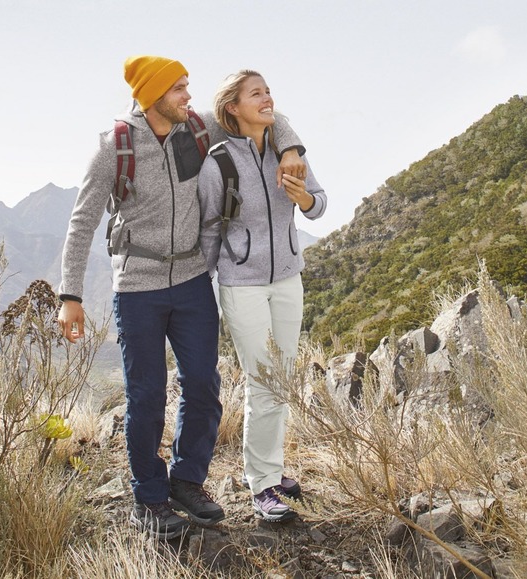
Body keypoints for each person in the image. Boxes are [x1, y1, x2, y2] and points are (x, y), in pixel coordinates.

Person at [57, 56, 308, 540]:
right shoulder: (115, 147)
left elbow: (261, 116)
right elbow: (82, 219)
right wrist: (70, 294)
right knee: (147, 395)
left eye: (188, 87)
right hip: (137, 287)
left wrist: (292, 144)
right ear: (153, 94)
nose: (188, 96)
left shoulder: (196, 126)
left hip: (193, 279)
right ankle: (149, 498)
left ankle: (187, 482)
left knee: (203, 386)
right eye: (178, 88)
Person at [197, 70, 327, 523]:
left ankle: (274, 469)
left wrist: (304, 200)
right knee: (264, 382)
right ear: (233, 107)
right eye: (257, 93)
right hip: (242, 284)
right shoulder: (219, 164)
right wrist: (206, 284)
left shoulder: (287, 151)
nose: (268, 98)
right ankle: (262, 486)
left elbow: (320, 201)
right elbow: (210, 227)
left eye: (269, 91)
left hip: (289, 277)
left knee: (283, 379)